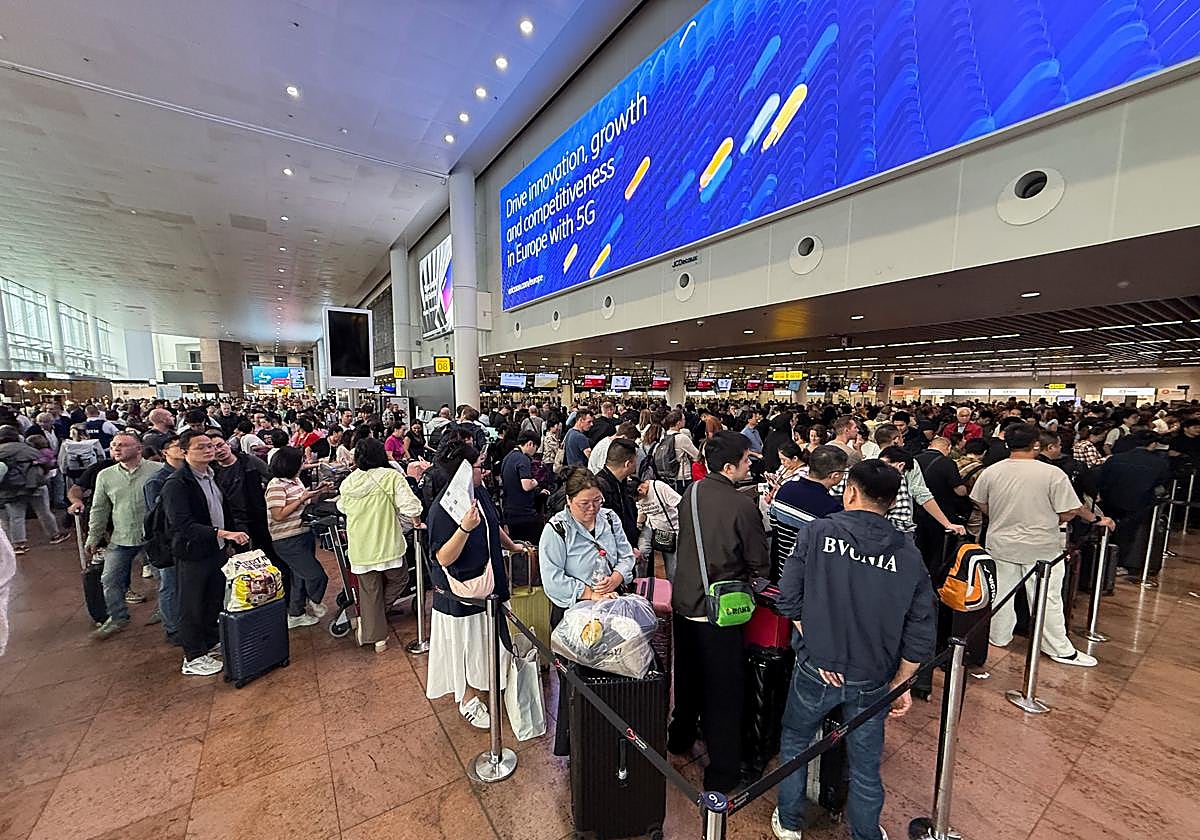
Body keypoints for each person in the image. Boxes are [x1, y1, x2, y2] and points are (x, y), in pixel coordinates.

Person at [771, 460, 934, 840]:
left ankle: (790, 822)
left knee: (796, 742)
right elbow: (921, 625)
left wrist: (817, 645)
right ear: (892, 502)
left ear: (850, 492)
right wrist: (903, 680)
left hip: (816, 668)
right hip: (873, 675)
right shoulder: (908, 552)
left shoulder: (817, 532)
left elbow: (789, 597)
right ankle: (864, 832)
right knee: (865, 763)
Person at [669, 431, 769, 792]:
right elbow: (761, 561)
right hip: (720, 611)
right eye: (745, 460)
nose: (748, 466)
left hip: (685, 602)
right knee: (724, 693)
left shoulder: (690, 492)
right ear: (729, 466)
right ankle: (723, 771)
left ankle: (679, 737)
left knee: (689, 677)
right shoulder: (743, 506)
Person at [970, 424, 1113, 668]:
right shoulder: (1052, 474)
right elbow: (1068, 511)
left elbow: (980, 503)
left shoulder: (992, 471)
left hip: (1000, 543)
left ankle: (998, 637)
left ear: (1007, 444)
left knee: (1001, 595)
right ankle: (1057, 647)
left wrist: (1003, 515)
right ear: (1036, 444)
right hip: (1041, 546)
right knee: (1046, 599)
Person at [539, 467, 638, 754]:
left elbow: (625, 554)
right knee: (578, 682)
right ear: (569, 501)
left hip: (612, 607)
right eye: (585, 504)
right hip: (576, 617)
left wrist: (616, 579)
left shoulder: (609, 518)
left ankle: (611, 735)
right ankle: (577, 742)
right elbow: (553, 579)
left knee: (614, 675)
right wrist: (591, 593)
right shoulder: (557, 530)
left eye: (597, 501)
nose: (592, 509)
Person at [425, 440, 519, 729]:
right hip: (463, 592)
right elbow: (442, 556)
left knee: (488, 641)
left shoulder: (478, 493)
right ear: (464, 470)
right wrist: (465, 528)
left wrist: (512, 546)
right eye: (479, 466)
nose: (485, 470)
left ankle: (487, 682)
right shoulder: (444, 508)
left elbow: (493, 525)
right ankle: (467, 697)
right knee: (466, 647)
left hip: (490, 583)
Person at [161, 430, 250, 676]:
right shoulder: (178, 483)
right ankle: (193, 655)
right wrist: (223, 534)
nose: (208, 450)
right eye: (201, 447)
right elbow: (182, 524)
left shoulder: (213, 475)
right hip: (192, 552)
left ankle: (211, 642)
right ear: (184, 451)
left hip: (216, 549)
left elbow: (222, 509)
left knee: (213, 598)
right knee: (191, 604)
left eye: (210, 445)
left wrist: (229, 537)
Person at [337, 437, 424, 652]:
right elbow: (411, 506)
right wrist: (417, 522)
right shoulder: (390, 476)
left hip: (360, 546)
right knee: (401, 578)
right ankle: (373, 620)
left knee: (369, 590)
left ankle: (375, 635)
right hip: (387, 544)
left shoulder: (349, 481)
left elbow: (342, 506)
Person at [76, 431, 156, 637]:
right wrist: (94, 536)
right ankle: (117, 616)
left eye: (122, 445)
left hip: (154, 535)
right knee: (110, 578)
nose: (116, 449)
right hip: (122, 535)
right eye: (113, 445)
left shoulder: (158, 471)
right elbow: (99, 508)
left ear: (138, 449)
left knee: (163, 577)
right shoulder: (106, 475)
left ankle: (164, 611)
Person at [266, 446, 330, 629]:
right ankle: (314, 600)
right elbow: (278, 515)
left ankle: (296, 613)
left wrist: (319, 491)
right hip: (287, 539)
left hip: (303, 533)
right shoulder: (276, 485)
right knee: (315, 575)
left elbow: (305, 502)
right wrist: (301, 499)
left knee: (300, 576)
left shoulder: (295, 481)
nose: (304, 464)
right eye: (300, 461)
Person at [1096, 431, 1172, 585]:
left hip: (1111, 501)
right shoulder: (1159, 463)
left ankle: (1104, 559)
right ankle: (1124, 563)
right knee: (1132, 534)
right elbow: (1163, 483)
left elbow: (1102, 479)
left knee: (1110, 531)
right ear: (1153, 444)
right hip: (1140, 503)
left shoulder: (1115, 459)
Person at [143, 434, 186, 643]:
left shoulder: (191, 474)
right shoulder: (158, 481)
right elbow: (159, 517)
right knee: (169, 584)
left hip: (187, 540)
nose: (181, 449)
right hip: (168, 542)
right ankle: (173, 628)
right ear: (165, 452)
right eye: (176, 446)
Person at [0, 427, 70, 555]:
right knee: (44, 512)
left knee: (17, 516)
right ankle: (54, 535)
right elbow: (46, 463)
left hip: (11, 488)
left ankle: (19, 544)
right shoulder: (26, 448)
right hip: (35, 485)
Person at [594, 437, 642, 558]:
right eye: (635, 461)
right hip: (614, 556)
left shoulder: (619, 483)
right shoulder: (601, 488)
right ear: (627, 464)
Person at [500, 430, 543, 543]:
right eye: (535, 447)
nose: (535, 452)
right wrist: (535, 482)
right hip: (524, 512)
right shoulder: (523, 459)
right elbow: (526, 485)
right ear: (530, 444)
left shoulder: (508, 457)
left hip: (509, 511)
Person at [635, 476, 681, 580]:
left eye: (637, 498)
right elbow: (641, 511)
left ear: (640, 490)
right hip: (650, 526)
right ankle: (640, 582)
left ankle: (673, 589)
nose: (638, 500)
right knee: (641, 552)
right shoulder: (637, 496)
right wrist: (638, 524)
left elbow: (680, 502)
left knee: (671, 566)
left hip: (668, 528)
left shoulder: (658, 487)